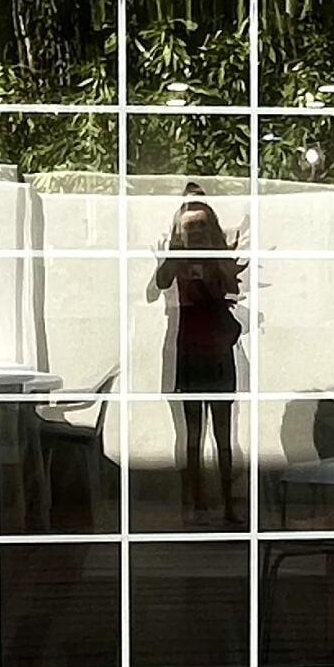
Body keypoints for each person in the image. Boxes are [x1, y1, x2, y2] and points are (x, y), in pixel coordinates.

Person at [145, 187, 246, 525]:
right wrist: (173, 256)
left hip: (217, 351)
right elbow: (157, 285)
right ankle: (195, 501)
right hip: (189, 350)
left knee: (222, 433)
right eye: (191, 227)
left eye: (202, 225)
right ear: (181, 231)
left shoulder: (220, 258)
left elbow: (230, 289)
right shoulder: (179, 259)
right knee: (190, 434)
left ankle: (229, 503)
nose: (197, 232)